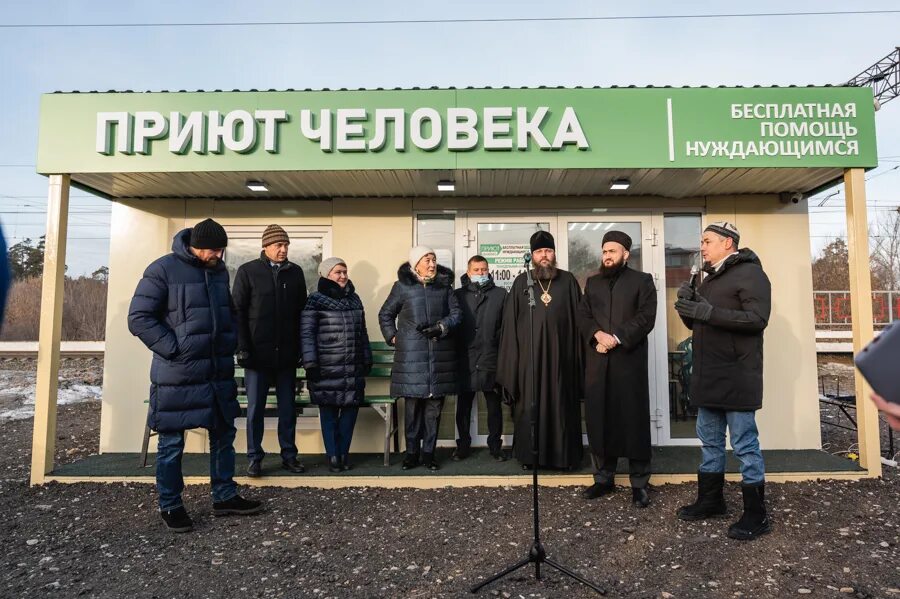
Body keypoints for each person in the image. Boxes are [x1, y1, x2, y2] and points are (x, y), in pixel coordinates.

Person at [128, 218, 262, 533]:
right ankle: (171, 504)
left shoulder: (218, 271)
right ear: (195, 246)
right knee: (172, 443)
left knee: (224, 434)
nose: (218, 255)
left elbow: (228, 312)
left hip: (216, 372)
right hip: (178, 374)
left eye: (221, 250)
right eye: (214, 249)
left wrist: (230, 341)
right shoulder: (162, 270)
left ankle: (225, 495)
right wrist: (175, 348)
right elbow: (139, 318)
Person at [674, 221, 772, 541]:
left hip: (737, 376)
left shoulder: (750, 274)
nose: (702, 246)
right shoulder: (711, 278)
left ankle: (756, 514)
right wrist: (686, 306)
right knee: (710, 443)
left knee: (744, 444)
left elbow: (757, 320)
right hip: (709, 377)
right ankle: (711, 500)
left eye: (707, 241)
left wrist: (706, 312)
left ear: (728, 243)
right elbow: (698, 322)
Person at [577, 231, 657, 508]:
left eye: (613, 251)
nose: (607, 256)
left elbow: (646, 317)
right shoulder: (593, 282)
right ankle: (603, 479)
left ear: (626, 254)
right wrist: (597, 334)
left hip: (628, 362)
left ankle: (639, 484)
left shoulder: (642, 281)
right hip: (598, 362)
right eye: (604, 251)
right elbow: (583, 315)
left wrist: (617, 338)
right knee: (600, 420)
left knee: (632, 420)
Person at [496, 230, 584, 470]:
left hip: (561, 359)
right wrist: (512, 363)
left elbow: (581, 322)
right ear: (532, 255)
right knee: (529, 407)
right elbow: (510, 326)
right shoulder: (521, 282)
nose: (544, 255)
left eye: (548, 251)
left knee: (562, 406)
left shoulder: (568, 281)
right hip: (529, 361)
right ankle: (529, 457)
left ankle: (564, 457)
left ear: (554, 253)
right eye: (539, 251)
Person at [232, 224, 308, 477]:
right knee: (255, 410)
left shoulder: (295, 273)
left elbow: (301, 313)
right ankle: (254, 458)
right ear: (266, 247)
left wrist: (300, 348)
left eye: (286, 245)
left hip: (286, 355)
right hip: (256, 356)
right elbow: (238, 313)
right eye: (278, 245)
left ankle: (289, 455)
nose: (283, 249)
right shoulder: (248, 272)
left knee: (288, 409)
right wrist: (242, 348)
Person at [379, 246, 461, 471]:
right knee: (413, 411)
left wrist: (441, 327)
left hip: (439, 359)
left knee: (434, 412)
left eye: (434, 259)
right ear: (415, 264)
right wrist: (393, 337)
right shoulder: (402, 287)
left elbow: (456, 314)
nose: (432, 263)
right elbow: (386, 314)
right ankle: (412, 455)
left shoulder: (445, 288)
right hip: (411, 361)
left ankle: (429, 455)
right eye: (427, 259)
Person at [300, 257, 372, 473]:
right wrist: (310, 363)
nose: (342, 276)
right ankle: (333, 456)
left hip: (351, 367)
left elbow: (363, 332)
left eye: (344, 271)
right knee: (329, 413)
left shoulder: (355, 299)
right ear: (325, 274)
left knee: (349, 413)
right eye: (337, 272)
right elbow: (307, 334)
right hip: (326, 368)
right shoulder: (315, 300)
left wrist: (366, 357)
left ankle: (343, 454)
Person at [453, 255, 508, 461]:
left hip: (490, 357)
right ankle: (463, 446)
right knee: (463, 405)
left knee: (494, 406)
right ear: (468, 272)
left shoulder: (501, 294)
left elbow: (505, 327)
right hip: (465, 358)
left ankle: (495, 446)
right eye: (476, 270)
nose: (480, 273)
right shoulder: (457, 295)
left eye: (484, 269)